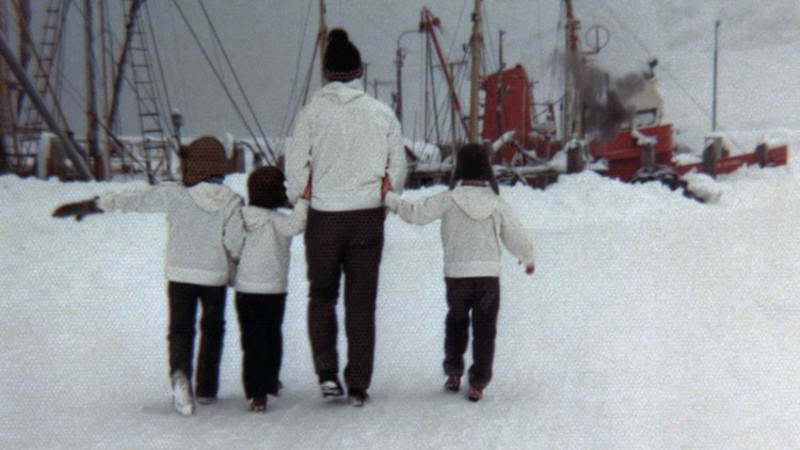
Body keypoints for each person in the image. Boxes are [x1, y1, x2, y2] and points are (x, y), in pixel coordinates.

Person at [52, 136, 244, 416]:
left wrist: (96, 204)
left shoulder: (175, 194)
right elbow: (236, 242)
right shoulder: (232, 202)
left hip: (179, 276)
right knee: (212, 329)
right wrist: (234, 264)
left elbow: (135, 199)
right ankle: (206, 387)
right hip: (214, 278)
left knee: (180, 329)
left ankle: (180, 374)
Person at [284, 28, 407, 407]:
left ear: (326, 74)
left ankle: (327, 375)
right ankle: (358, 382)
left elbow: (294, 169)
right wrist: (385, 195)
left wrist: (301, 196)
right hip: (367, 216)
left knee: (322, 294)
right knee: (361, 300)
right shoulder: (382, 113)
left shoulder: (309, 115)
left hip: (324, 217)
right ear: (358, 74)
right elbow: (397, 168)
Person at [382, 143, 535, 402]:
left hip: (457, 276)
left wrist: (388, 196)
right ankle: (478, 382)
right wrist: (527, 258)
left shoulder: (448, 199)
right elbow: (516, 235)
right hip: (488, 277)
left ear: (459, 168)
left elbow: (416, 213)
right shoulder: (496, 203)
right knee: (485, 330)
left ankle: (454, 372)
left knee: (456, 323)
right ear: (486, 170)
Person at [232, 166, 310, 413]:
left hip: (245, 290)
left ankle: (255, 393)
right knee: (271, 337)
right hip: (274, 290)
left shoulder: (242, 218)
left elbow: (232, 246)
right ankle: (270, 381)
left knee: (251, 341)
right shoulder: (279, 222)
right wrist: (305, 199)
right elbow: (298, 225)